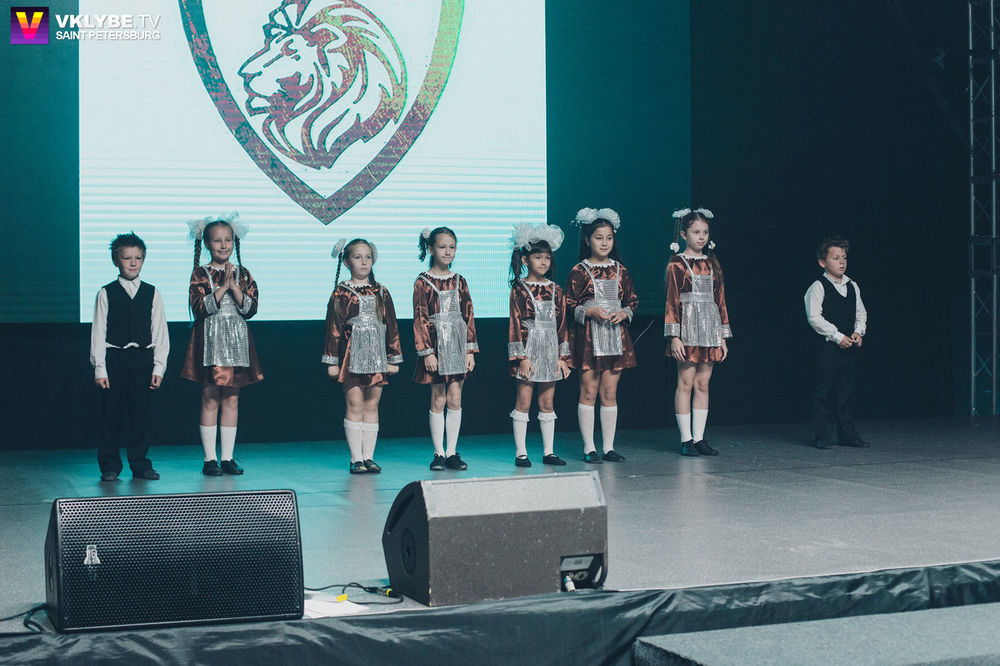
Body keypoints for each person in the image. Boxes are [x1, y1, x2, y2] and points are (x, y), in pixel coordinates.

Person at [180, 213, 262, 476]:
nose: (223, 245)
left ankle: (227, 457)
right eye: (217, 241)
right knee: (210, 397)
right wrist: (222, 288)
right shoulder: (200, 273)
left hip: (236, 340)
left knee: (232, 398)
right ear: (207, 244)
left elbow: (251, 309)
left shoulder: (243, 273)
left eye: (227, 240)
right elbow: (199, 308)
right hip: (210, 340)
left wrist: (234, 287)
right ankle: (209, 459)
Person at [90, 232, 169, 482]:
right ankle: (109, 465)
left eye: (138, 258)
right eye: (127, 258)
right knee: (111, 415)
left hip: (143, 360)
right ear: (116, 261)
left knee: (141, 415)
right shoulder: (106, 293)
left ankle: (140, 464)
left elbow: (160, 332)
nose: (133, 263)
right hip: (115, 359)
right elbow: (98, 332)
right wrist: (100, 368)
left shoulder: (152, 293)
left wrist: (159, 367)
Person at [323, 238, 403, 473]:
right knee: (355, 404)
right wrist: (332, 361)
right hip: (351, 357)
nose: (364, 262)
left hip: (376, 356)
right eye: (358, 257)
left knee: (372, 404)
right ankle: (355, 458)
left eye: (368, 257)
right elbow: (333, 328)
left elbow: (392, 326)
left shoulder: (382, 291)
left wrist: (393, 357)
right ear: (347, 262)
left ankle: (369, 457)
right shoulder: (341, 292)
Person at [565, 207, 637, 463]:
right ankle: (589, 448)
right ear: (587, 240)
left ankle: (608, 447)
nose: (604, 243)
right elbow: (569, 304)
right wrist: (589, 311)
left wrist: (624, 313)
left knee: (609, 393)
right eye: (598, 237)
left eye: (609, 238)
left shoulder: (621, 270)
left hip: (615, 337)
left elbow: (632, 301)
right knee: (588, 392)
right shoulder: (579, 270)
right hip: (589, 339)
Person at [664, 208, 732, 456]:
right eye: (695, 232)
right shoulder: (677, 263)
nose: (701, 237)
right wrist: (674, 337)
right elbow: (672, 301)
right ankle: (686, 439)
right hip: (688, 329)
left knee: (703, 383)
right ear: (684, 234)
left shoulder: (712, 263)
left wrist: (722, 337)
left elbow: (720, 300)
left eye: (705, 232)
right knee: (686, 382)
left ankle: (700, 437)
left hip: (710, 329)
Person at [413, 227, 479, 471]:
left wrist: (470, 351)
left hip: (458, 344)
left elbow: (468, 315)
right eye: (442, 247)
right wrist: (427, 352)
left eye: (452, 247)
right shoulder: (423, 282)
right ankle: (438, 453)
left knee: (455, 397)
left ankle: (452, 452)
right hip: (436, 345)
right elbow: (420, 317)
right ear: (431, 249)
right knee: (438, 397)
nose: (448, 251)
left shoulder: (460, 280)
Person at [507, 223, 572, 467]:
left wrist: (563, 357)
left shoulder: (556, 289)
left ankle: (549, 452)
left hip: (551, 350)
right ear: (526, 259)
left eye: (547, 257)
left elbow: (562, 325)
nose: (544, 262)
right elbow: (515, 324)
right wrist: (521, 358)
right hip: (529, 350)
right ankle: (521, 453)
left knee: (547, 402)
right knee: (524, 401)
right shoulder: (519, 289)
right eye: (538, 257)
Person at [805, 236, 868, 449]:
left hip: (848, 348)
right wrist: (837, 336)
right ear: (822, 262)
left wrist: (858, 332)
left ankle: (847, 435)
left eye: (844, 257)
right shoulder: (818, 286)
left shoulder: (852, 285)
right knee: (824, 391)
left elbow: (860, 313)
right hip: (827, 348)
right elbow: (814, 317)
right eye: (836, 258)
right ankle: (822, 435)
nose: (842, 262)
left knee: (846, 392)